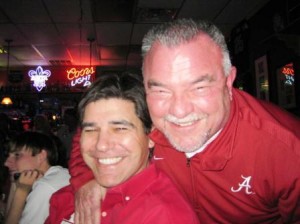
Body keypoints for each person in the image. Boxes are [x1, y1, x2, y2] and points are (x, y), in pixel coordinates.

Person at [69, 19, 300, 223]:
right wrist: (86, 180)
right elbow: (93, 133)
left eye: (199, 87)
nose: (179, 111)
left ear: (228, 82)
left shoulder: (288, 151)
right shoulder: (148, 115)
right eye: (161, 90)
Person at [45, 72, 199, 224]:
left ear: (151, 136)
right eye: (91, 130)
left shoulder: (166, 215)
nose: (101, 145)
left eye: (120, 129)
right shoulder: (65, 198)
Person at [4, 131, 70, 224]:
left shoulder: (45, 187)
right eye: (8, 156)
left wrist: (21, 191)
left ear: (41, 156)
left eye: (17, 155)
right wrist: (15, 183)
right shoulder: (59, 174)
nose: (6, 163)